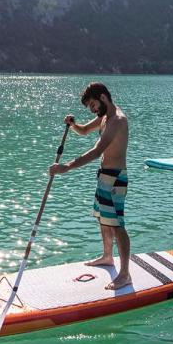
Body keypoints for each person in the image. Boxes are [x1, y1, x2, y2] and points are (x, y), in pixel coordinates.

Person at [49, 82, 131, 290]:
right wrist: (73, 124)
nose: (93, 110)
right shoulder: (104, 116)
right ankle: (107, 256)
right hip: (104, 176)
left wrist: (66, 167)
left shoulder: (117, 121)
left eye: (93, 105)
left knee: (117, 225)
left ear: (103, 97)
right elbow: (85, 131)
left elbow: (96, 151)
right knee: (103, 219)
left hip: (115, 178)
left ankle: (125, 274)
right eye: (91, 108)